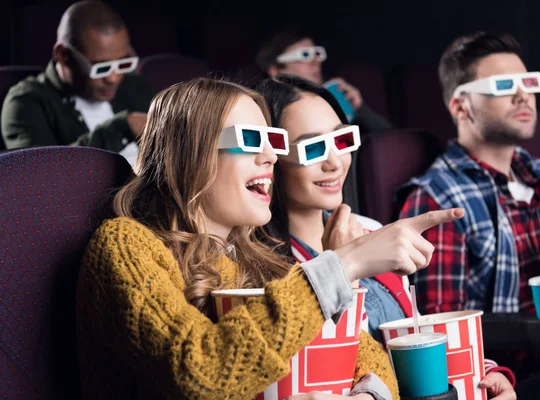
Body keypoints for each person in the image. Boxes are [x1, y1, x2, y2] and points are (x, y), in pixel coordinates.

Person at [76, 76, 464, 399]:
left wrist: (366, 394)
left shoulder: (256, 259)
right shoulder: (125, 245)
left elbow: (365, 354)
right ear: (189, 152)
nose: (271, 158)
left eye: (273, 142)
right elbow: (200, 372)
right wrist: (345, 264)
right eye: (250, 140)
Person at [255, 75, 516, 400]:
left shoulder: (372, 230)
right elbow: (329, 368)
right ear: (271, 159)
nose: (334, 162)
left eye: (340, 141)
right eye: (312, 148)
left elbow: (414, 333)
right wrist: (341, 267)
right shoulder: (262, 269)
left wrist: (485, 372)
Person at [399, 32, 540, 379]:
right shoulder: (438, 198)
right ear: (461, 106)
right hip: (514, 378)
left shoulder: (539, 173)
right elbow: (442, 329)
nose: (524, 95)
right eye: (504, 85)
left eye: (529, 82)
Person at [1, 0, 152, 162]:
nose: (113, 78)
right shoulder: (26, 103)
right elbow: (42, 176)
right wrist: (120, 128)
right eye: (100, 68)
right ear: (63, 55)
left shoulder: (135, 85)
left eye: (123, 63)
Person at [256, 30, 392, 135]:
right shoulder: (266, 111)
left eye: (317, 54)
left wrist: (359, 109)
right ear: (275, 70)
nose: (316, 62)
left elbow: (390, 138)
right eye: (304, 55)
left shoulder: (335, 96)